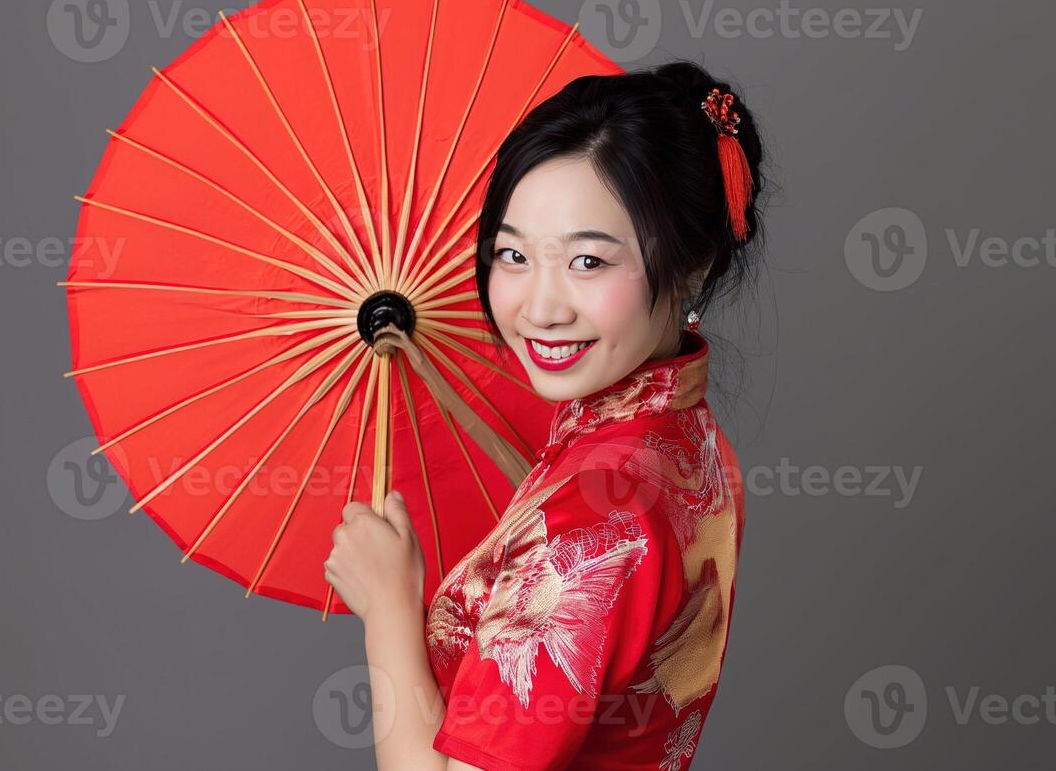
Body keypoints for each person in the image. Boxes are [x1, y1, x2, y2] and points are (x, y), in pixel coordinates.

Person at [323, 60, 771, 770]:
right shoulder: (683, 436)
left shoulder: (596, 524)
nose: (539, 308)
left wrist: (387, 611)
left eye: (588, 262)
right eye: (512, 254)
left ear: (692, 267)